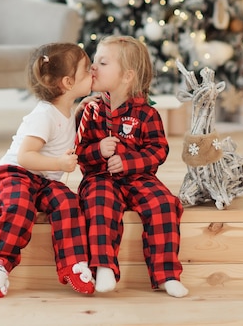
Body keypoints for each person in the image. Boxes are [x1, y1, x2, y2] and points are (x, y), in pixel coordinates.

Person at [75, 35, 189, 298]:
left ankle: (166, 274)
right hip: (100, 177)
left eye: (102, 63)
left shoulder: (147, 114)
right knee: (99, 202)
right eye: (94, 61)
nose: (93, 67)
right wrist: (98, 150)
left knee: (164, 203)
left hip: (139, 177)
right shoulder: (91, 111)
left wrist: (128, 162)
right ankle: (103, 266)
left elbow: (158, 150)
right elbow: (79, 152)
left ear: (127, 76)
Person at [0, 42, 96, 298]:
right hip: (15, 173)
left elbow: (65, 129)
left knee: (68, 202)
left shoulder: (66, 110)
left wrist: (81, 108)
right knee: (21, 208)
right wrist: (59, 165)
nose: (93, 72)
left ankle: (73, 264)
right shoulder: (43, 115)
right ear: (67, 82)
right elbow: (26, 156)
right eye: (87, 70)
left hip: (43, 181)